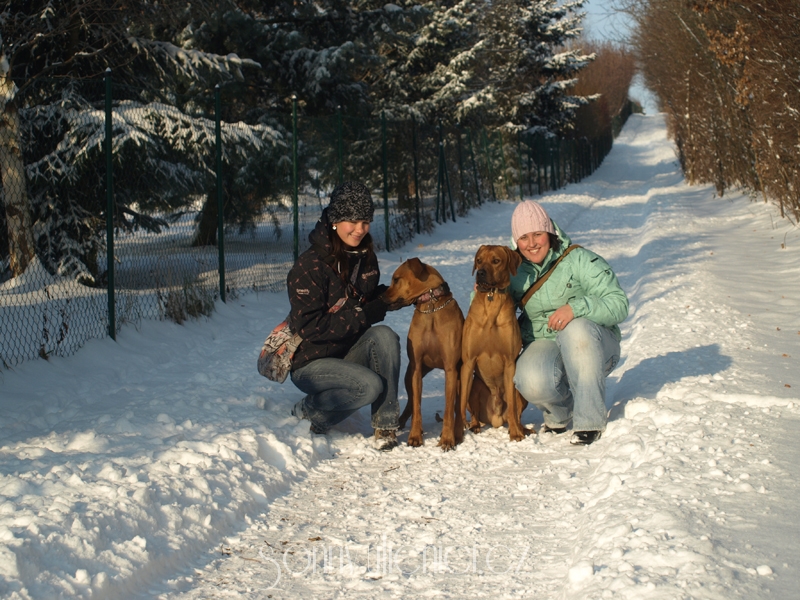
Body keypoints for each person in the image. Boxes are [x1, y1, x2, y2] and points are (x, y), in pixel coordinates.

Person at [287, 181, 401, 451]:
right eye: (353, 221)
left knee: (385, 336)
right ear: (335, 221)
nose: (360, 229)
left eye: (365, 221)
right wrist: (364, 315)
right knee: (368, 386)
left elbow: (365, 299)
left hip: (346, 351)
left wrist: (400, 294)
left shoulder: (364, 256)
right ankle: (311, 411)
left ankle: (385, 425)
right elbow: (310, 327)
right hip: (310, 361)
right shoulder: (309, 266)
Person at [509, 200, 628, 446]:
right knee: (530, 378)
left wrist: (577, 308)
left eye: (538, 234)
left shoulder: (579, 259)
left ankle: (589, 421)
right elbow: (491, 308)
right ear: (515, 241)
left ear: (550, 232)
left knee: (577, 330)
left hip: (595, 346)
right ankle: (560, 413)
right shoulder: (513, 270)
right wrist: (483, 290)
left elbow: (619, 304)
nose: (532, 244)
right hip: (545, 342)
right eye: (524, 238)